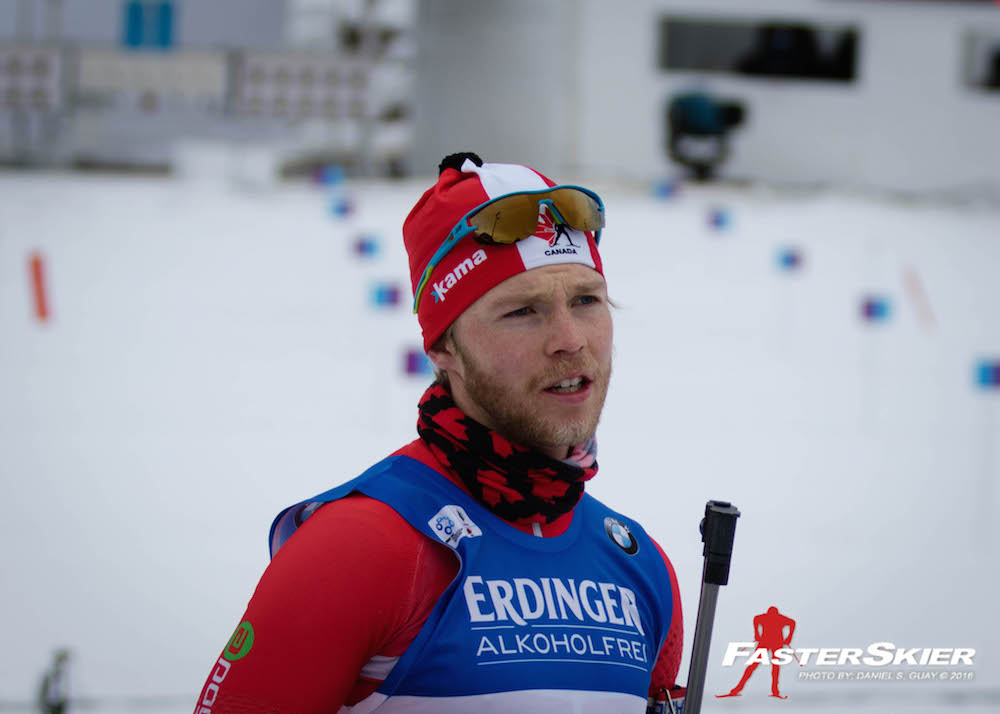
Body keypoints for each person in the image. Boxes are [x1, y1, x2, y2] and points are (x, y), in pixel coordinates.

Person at [194, 153, 686, 713]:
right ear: (442, 347)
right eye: (522, 311)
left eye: (586, 301)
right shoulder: (360, 545)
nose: (570, 340)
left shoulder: (639, 564)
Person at [717, 606, 795, 699]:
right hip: (768, 642)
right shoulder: (776, 618)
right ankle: (739, 689)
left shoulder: (771, 618)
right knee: (763, 665)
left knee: (771, 666)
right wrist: (757, 634)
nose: (772, 617)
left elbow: (792, 623)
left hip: (774, 642)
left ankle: (774, 690)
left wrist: (789, 637)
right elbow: (792, 623)